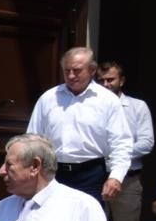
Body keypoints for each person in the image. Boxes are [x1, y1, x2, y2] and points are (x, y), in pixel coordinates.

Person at [26, 47, 132, 207]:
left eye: (76, 70)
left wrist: (116, 177)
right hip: (53, 172)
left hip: (90, 175)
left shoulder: (108, 101)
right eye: (67, 71)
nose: (71, 76)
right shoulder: (48, 99)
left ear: (92, 70)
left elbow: (121, 143)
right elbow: (33, 139)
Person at [96, 61, 155, 221]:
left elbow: (147, 142)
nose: (106, 85)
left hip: (128, 180)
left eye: (111, 80)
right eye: (102, 80)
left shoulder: (137, 107)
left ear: (122, 80)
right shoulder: (92, 105)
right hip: (96, 177)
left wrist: (116, 154)